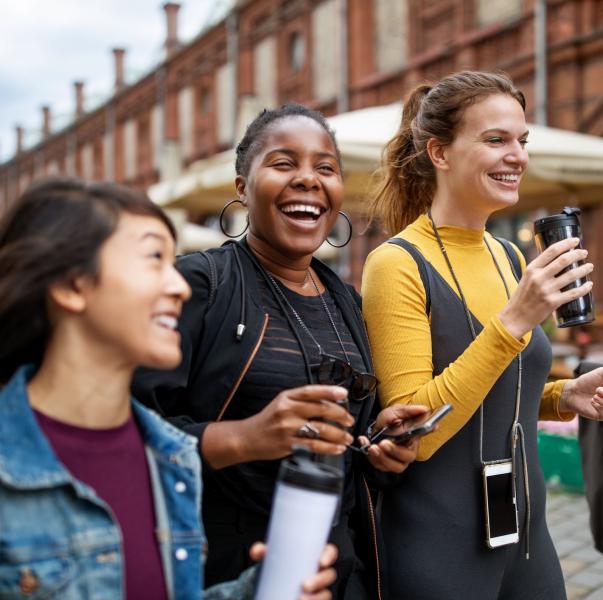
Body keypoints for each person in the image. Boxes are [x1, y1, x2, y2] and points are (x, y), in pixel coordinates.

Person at [133, 103, 426, 600]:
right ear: (243, 188)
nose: (308, 179)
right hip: (227, 573)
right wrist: (245, 437)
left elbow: (348, 451)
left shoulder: (346, 302)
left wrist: (379, 452)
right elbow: (129, 432)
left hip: (338, 573)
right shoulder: (198, 285)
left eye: (325, 168)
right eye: (284, 164)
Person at [0, 177, 336, 600]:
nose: (178, 284)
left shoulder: (171, 457)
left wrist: (257, 591)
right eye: (153, 258)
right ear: (71, 286)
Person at [362, 71, 603, 600]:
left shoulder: (509, 256)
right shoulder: (395, 264)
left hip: (528, 536)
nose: (516, 155)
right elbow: (413, 431)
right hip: (439, 545)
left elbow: (498, 392)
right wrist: (515, 320)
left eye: (522, 140)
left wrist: (565, 396)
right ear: (440, 153)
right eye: (495, 139)